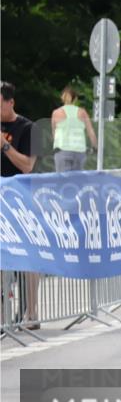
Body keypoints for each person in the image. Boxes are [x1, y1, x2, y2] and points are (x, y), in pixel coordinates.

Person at [1, 81, 40, 331]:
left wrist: (4, 146)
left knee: (28, 257)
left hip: (21, 201)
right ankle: (4, 318)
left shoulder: (28, 128)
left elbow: (27, 165)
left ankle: (32, 313)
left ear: (10, 102)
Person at [51, 87, 97, 171]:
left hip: (62, 151)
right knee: (77, 181)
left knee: (63, 181)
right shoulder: (82, 112)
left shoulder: (56, 113)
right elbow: (91, 131)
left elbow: (54, 134)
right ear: (75, 99)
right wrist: (94, 147)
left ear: (62, 98)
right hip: (79, 151)